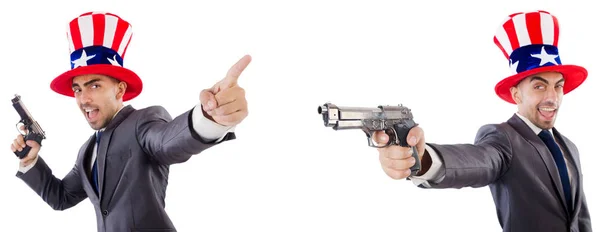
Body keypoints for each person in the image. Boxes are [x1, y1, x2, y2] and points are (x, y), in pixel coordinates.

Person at [9, 12, 249, 232]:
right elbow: (60, 197)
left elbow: (168, 142)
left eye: (94, 85)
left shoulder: (143, 122)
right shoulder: (86, 151)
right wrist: (31, 162)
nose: (84, 99)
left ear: (120, 89)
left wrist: (208, 118)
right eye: (77, 89)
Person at [375, 10, 592, 232]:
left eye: (558, 86)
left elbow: (581, 218)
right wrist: (422, 158)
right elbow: (478, 160)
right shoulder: (504, 138)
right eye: (539, 86)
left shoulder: (570, 148)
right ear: (517, 95)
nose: (552, 97)